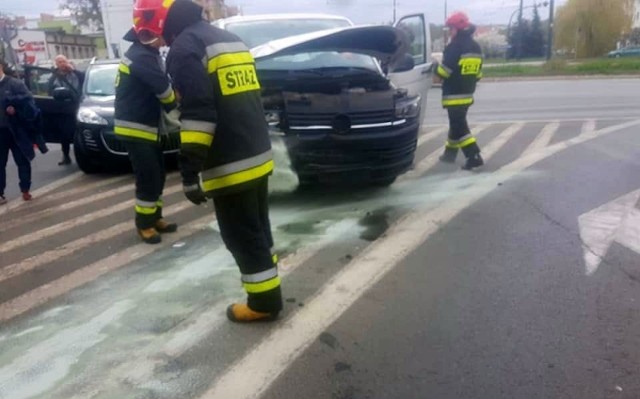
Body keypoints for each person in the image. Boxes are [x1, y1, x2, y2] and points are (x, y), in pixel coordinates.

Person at [162, 0, 283, 323]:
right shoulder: (229, 40)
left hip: (230, 162)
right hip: (256, 152)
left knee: (241, 235)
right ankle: (268, 282)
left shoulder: (185, 48)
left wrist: (189, 172)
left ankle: (264, 302)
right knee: (258, 229)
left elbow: (199, 114)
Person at [114, 0, 179, 244]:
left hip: (146, 127)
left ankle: (155, 217)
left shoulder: (145, 54)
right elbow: (165, 93)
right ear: (151, 34)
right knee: (148, 176)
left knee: (158, 173)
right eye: (162, 36)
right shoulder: (141, 56)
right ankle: (144, 225)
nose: (164, 41)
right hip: (137, 127)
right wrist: (177, 99)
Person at [436, 11, 484, 171]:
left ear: (457, 28)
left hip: (453, 95)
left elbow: (444, 72)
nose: (450, 32)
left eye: (450, 29)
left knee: (459, 126)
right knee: (456, 123)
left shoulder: (454, 47)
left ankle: (474, 156)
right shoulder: (476, 46)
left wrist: (434, 67)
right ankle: (450, 153)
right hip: (468, 93)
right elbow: (478, 74)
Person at [0, 59, 39, 204]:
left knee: (22, 160)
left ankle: (25, 189)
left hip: (17, 129)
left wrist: (15, 106)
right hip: (0, 132)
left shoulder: (15, 83)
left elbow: (29, 100)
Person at [48, 55, 84, 166]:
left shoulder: (75, 74)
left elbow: (84, 79)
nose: (62, 64)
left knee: (79, 134)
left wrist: (73, 70)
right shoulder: (54, 77)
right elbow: (50, 91)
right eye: (59, 62)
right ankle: (66, 156)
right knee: (64, 135)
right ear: (56, 64)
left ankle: (83, 156)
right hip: (62, 109)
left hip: (76, 107)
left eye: (63, 61)